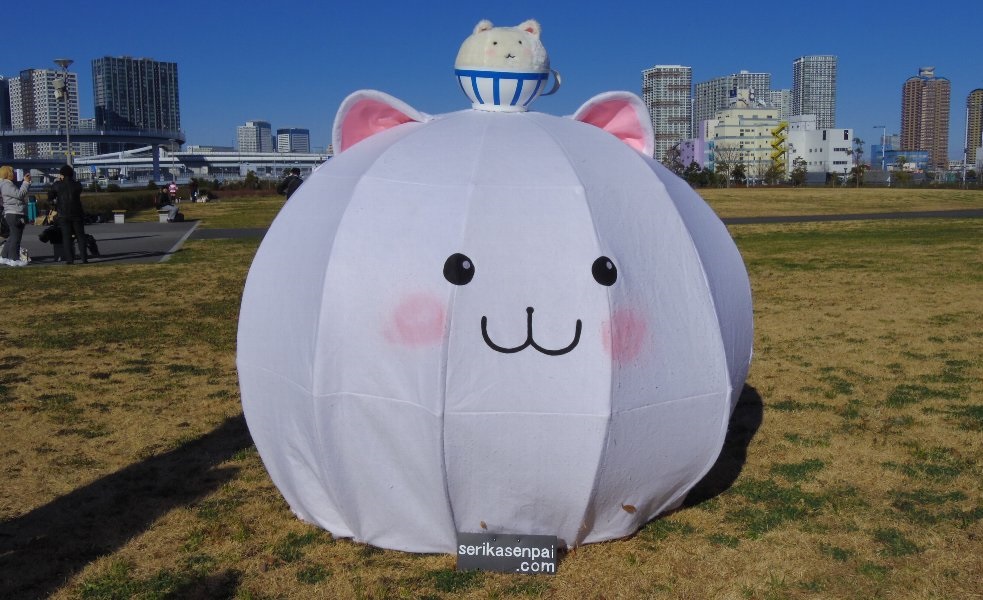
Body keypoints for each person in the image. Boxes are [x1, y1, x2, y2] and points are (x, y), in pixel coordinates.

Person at [48, 164, 88, 264]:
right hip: (77, 214)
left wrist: (54, 204)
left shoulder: (57, 185)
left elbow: (50, 197)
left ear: (62, 175)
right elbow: (78, 190)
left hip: (63, 214)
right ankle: (84, 258)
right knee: (80, 236)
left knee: (66, 237)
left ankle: (70, 260)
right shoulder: (77, 185)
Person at [0, 165, 31, 267]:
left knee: (12, 236)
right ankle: (14, 259)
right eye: (12, 171)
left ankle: (4, 256)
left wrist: (24, 182)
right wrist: (26, 183)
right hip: (15, 213)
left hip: (11, 213)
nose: (14, 173)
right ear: (8, 173)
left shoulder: (5, 184)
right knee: (16, 238)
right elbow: (20, 194)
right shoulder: (7, 184)